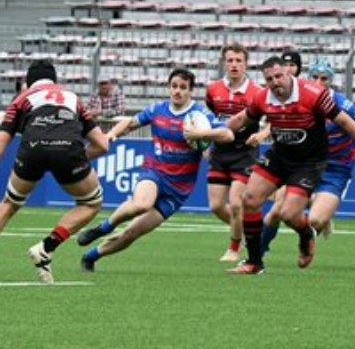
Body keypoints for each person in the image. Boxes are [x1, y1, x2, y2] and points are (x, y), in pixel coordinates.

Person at [225, 56, 355, 275]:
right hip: (281, 156)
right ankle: (254, 261)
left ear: (288, 73)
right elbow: (241, 120)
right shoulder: (264, 96)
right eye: (270, 79)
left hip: (316, 163)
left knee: (293, 215)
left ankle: (306, 234)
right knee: (251, 200)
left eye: (279, 76)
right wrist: (211, 134)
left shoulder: (316, 95)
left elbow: (349, 123)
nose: (275, 82)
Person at [77, 68, 234, 272]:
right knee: (142, 204)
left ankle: (90, 256)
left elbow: (228, 134)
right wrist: (110, 135)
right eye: (174, 86)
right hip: (154, 172)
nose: (177, 91)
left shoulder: (199, 115)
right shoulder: (157, 109)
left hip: (178, 189)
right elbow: (130, 123)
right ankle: (103, 227)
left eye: (183, 87)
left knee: (132, 233)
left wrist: (201, 134)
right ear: (168, 88)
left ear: (190, 91)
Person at [261, 59, 355, 259]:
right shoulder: (299, 99)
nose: (318, 82)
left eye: (324, 78)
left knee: (315, 221)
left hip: (336, 169)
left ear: (331, 81)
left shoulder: (340, 103)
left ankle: (316, 222)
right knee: (277, 210)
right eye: (314, 77)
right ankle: (256, 257)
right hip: (305, 165)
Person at [0, 59, 109, 284]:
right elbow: (102, 145)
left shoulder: (21, 98)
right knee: (91, 203)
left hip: (31, 151)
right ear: (55, 80)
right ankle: (46, 247)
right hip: (69, 151)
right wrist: (74, 158)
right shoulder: (73, 98)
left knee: (10, 204)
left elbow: (2, 142)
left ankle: (44, 250)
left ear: (29, 82)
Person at [206, 42, 263, 263]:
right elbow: (210, 118)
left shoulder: (257, 92)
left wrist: (262, 134)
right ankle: (249, 231)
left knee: (237, 203)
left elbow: (273, 119)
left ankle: (234, 247)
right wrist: (207, 142)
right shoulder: (213, 89)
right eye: (230, 60)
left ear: (246, 64)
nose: (234, 65)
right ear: (224, 63)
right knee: (216, 206)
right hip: (219, 153)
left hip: (245, 153)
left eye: (239, 61)